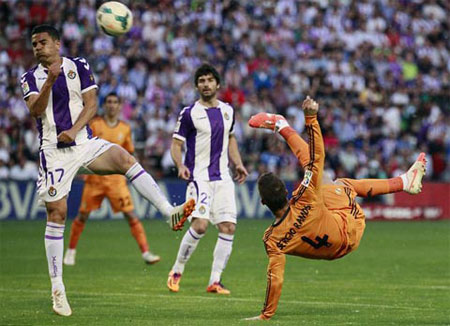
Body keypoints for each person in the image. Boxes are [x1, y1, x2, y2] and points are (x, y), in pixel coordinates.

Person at [20, 24, 195, 317]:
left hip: (83, 142)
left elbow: (91, 105)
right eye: (34, 44)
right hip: (53, 152)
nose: (38, 47)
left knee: (125, 159)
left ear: (58, 44)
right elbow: (35, 111)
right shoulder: (30, 78)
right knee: (58, 213)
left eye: (43, 42)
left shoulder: (79, 66)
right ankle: (57, 289)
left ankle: (169, 212)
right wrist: (50, 81)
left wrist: (74, 131)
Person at [244, 96, 427, 320]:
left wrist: (266, 315)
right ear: (287, 191)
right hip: (350, 225)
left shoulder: (272, 239)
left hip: (334, 251)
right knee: (338, 182)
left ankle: (281, 125)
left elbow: (276, 277)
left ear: (263, 203)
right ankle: (403, 182)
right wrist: (311, 118)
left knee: (323, 178)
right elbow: (316, 157)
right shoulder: (304, 197)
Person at [167, 64, 248, 295]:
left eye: (210, 80)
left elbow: (230, 139)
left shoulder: (228, 111)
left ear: (217, 84)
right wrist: (180, 165)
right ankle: (176, 270)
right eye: (201, 80)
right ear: (196, 85)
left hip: (222, 177)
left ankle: (215, 281)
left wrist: (238, 163)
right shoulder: (189, 113)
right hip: (198, 177)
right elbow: (176, 144)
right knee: (200, 226)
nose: (205, 84)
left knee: (228, 227)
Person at [63, 93, 160, 266]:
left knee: (131, 215)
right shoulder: (95, 124)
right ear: (104, 105)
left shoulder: (125, 128)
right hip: (95, 180)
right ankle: (70, 251)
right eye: (109, 102)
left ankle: (146, 252)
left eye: (115, 102)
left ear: (120, 106)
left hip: (116, 181)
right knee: (82, 216)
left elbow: (129, 153)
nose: (112, 105)